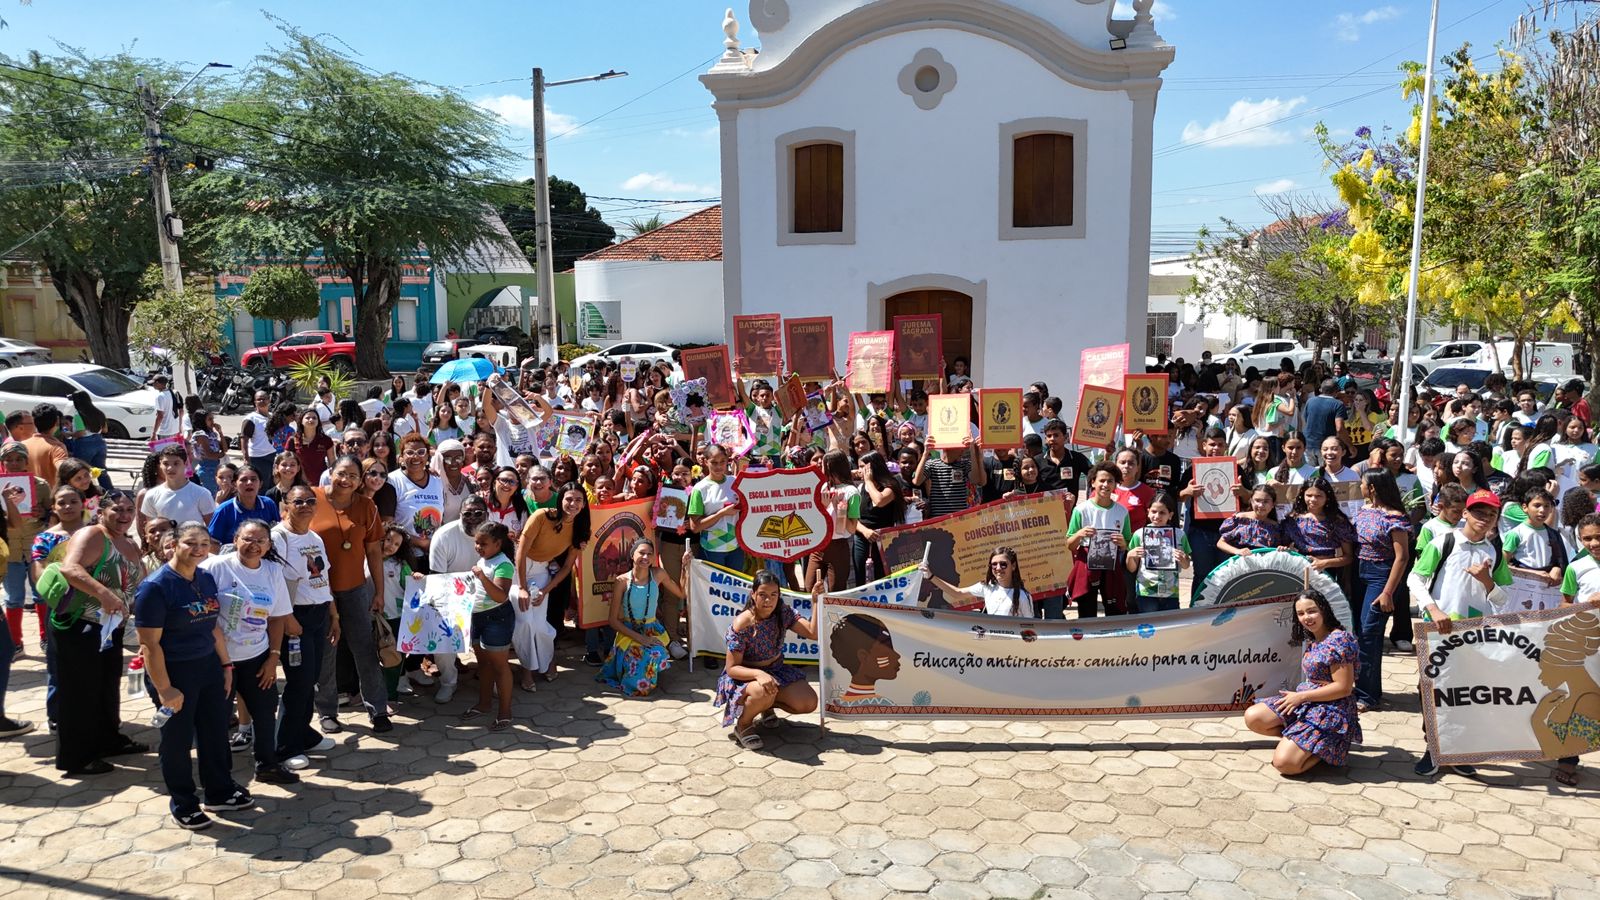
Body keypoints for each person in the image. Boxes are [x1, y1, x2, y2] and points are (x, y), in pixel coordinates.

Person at [135, 522, 253, 828]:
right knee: (177, 740)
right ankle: (184, 802)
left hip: (209, 667)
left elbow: (213, 625)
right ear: (173, 545)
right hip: (174, 672)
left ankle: (219, 791)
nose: (198, 549)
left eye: (204, 543)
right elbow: (149, 644)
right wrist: (165, 689)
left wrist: (226, 667)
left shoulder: (205, 577)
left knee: (215, 732)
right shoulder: (156, 587)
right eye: (190, 543)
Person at [1407, 489, 1515, 779]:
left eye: (1491, 514)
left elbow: (1504, 598)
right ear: (1465, 513)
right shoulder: (1445, 542)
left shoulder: (1493, 551)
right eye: (1479, 512)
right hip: (1439, 630)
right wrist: (1433, 609)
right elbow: (1415, 578)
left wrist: (1487, 581)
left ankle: (1458, 751)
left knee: (1465, 692)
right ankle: (1433, 748)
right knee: (1431, 688)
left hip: (1474, 635)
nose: (1485, 518)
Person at [52, 489, 146, 775]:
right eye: (117, 509)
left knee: (105, 687)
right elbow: (71, 569)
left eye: (129, 510)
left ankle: (108, 739)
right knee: (80, 691)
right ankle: (76, 757)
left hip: (110, 628)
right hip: (81, 625)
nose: (124, 516)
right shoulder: (92, 535)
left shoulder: (128, 542)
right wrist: (104, 594)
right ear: (101, 511)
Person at [200, 520, 297, 785]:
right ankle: (221, 777)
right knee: (218, 719)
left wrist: (273, 657)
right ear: (236, 539)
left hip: (257, 656)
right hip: (218, 660)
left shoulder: (272, 571)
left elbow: (277, 617)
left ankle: (267, 765)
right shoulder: (213, 568)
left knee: (265, 713)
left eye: (260, 541)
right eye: (248, 539)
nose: (254, 546)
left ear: (268, 545)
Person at [310, 456, 392, 735]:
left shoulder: (367, 506)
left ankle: (378, 709)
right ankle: (327, 712)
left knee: (365, 649)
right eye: (342, 473)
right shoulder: (310, 498)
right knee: (326, 652)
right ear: (330, 472)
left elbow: (374, 552)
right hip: (319, 592)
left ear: (360, 480)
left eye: (354, 476)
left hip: (355, 588)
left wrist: (379, 591)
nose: (346, 480)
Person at [1243, 590, 1360, 775]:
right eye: (1301, 613)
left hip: (1331, 709)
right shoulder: (1314, 637)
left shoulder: (1339, 640)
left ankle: (1327, 749)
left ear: (1324, 610)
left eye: (1312, 611)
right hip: (1307, 701)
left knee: (1284, 764)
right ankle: (1299, 740)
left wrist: (1301, 696)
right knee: (1253, 717)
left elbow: (1344, 688)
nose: (1307, 617)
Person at [271, 484, 337, 770]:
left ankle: (305, 733)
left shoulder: (314, 537)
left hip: (319, 613)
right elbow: (276, 581)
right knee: (297, 681)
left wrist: (334, 614)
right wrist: (287, 619)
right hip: (295, 616)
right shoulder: (279, 536)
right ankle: (285, 746)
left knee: (310, 677)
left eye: (311, 501)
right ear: (286, 505)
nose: (306, 506)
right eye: (299, 502)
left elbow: (323, 577)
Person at [716, 570, 819, 750]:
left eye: (773, 595)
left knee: (808, 702)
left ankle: (765, 706)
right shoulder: (743, 623)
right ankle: (744, 725)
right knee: (763, 690)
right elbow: (732, 668)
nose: (768, 600)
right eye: (762, 595)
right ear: (753, 594)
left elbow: (812, 633)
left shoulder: (783, 612)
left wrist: (816, 602)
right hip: (744, 677)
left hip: (776, 670)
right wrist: (758, 674)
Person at [1349, 469, 1412, 712]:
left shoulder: (1394, 518)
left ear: (1372, 488)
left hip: (1381, 576)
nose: (1360, 487)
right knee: (1361, 633)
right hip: (1359, 573)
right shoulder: (1364, 510)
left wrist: (1387, 592)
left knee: (1369, 633)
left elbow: (1402, 558)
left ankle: (1367, 695)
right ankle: (1365, 686)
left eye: (1363, 484)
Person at [599, 537, 690, 696]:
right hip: (629, 632)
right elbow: (612, 620)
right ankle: (637, 676)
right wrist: (641, 639)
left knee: (654, 653)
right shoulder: (622, 581)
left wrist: (684, 567)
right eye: (642, 553)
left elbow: (681, 593)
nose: (646, 557)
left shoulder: (658, 574)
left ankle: (645, 675)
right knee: (639, 657)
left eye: (650, 554)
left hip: (652, 630)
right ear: (632, 554)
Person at [513, 484, 587, 677]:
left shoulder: (580, 530)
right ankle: (527, 670)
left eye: (578, 500)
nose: (573, 504)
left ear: (584, 504)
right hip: (516, 570)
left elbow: (565, 568)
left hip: (540, 573)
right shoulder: (541, 516)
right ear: (560, 499)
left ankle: (546, 661)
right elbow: (521, 551)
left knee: (539, 624)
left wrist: (546, 590)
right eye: (569, 499)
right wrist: (521, 587)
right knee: (525, 623)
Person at [459, 522, 518, 731]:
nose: (478, 547)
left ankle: (505, 712)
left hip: (497, 618)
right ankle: (484, 704)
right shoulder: (484, 559)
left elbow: (501, 596)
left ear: (497, 544)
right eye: (476, 543)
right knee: (483, 665)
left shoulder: (504, 564)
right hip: (478, 617)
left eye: (483, 543)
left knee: (500, 666)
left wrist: (482, 577)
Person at [1065, 463, 1132, 618]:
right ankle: (1088, 640)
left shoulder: (1122, 512)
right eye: (1101, 480)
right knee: (1087, 611)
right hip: (1086, 562)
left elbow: (1127, 543)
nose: (1105, 485)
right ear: (1093, 482)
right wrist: (1080, 534)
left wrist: (1123, 543)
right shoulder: (1081, 510)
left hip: (1111, 563)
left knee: (1115, 610)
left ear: (1116, 484)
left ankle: (1113, 638)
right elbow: (1069, 544)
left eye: (1110, 481)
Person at [920, 546, 1034, 616]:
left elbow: (1032, 628)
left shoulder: (1023, 596)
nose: (998, 568)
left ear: (1013, 566)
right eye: (994, 564)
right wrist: (930, 576)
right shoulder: (986, 587)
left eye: (1003, 564)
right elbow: (957, 593)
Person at [1127, 494, 1191, 613]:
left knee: (1169, 625)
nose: (1157, 516)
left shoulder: (1179, 535)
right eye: (1154, 511)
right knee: (1148, 627)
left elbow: (1186, 565)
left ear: (1170, 515)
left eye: (1162, 513)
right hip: (1146, 590)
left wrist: (1183, 559)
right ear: (1148, 512)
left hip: (1171, 591)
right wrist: (1130, 555)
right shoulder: (1139, 534)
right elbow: (1131, 568)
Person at [853, 451, 907, 587]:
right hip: (862, 538)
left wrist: (869, 481)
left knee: (881, 579)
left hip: (884, 540)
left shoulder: (891, 486)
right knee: (862, 578)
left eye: (862, 467)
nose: (859, 470)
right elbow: (853, 518)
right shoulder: (861, 487)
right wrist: (865, 531)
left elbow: (879, 500)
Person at [688, 444, 744, 571]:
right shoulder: (700, 489)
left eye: (722, 462)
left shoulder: (735, 481)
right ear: (705, 462)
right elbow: (695, 527)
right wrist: (722, 513)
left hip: (735, 547)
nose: (719, 466)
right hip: (712, 550)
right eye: (714, 462)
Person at [139, 445, 216, 535]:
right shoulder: (151, 495)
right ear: (160, 464)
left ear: (186, 463)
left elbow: (212, 528)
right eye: (166, 464)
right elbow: (151, 529)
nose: (170, 468)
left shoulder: (202, 494)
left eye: (176, 463)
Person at [207, 466, 279, 546]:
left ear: (260, 484)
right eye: (243, 480)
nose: (249, 483)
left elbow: (277, 532)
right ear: (234, 484)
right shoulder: (224, 510)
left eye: (253, 479)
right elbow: (212, 543)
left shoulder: (268, 504)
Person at [1217, 484, 1283, 557]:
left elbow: (1276, 549)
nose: (1261, 505)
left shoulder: (1275, 527)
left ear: (1273, 504)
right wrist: (1237, 551)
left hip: (1264, 566)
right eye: (1257, 500)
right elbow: (1221, 543)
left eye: (1266, 501)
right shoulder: (1239, 519)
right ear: (1251, 501)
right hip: (1239, 564)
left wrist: (1281, 549)